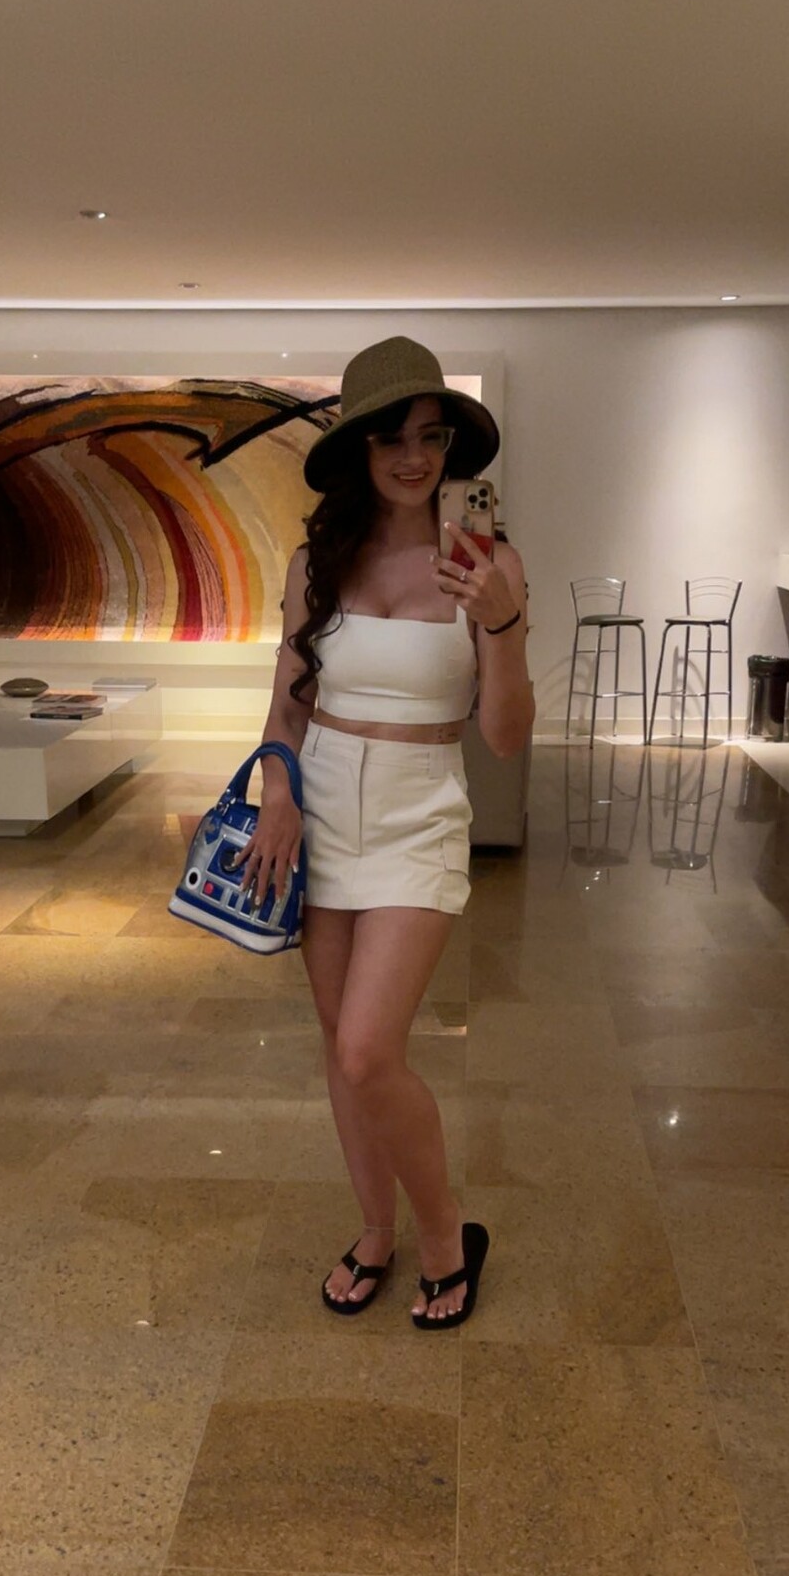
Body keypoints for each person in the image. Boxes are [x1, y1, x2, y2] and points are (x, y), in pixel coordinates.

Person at [236, 337, 534, 1328]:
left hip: (420, 817)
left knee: (370, 1050)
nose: (415, 457)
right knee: (338, 1045)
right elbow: (286, 705)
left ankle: (446, 1234)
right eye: (392, 438)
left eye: (431, 436)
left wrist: (503, 626)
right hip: (319, 812)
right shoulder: (316, 562)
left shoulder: (487, 567)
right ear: (359, 448)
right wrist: (278, 790)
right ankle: (375, 1229)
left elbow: (505, 737)